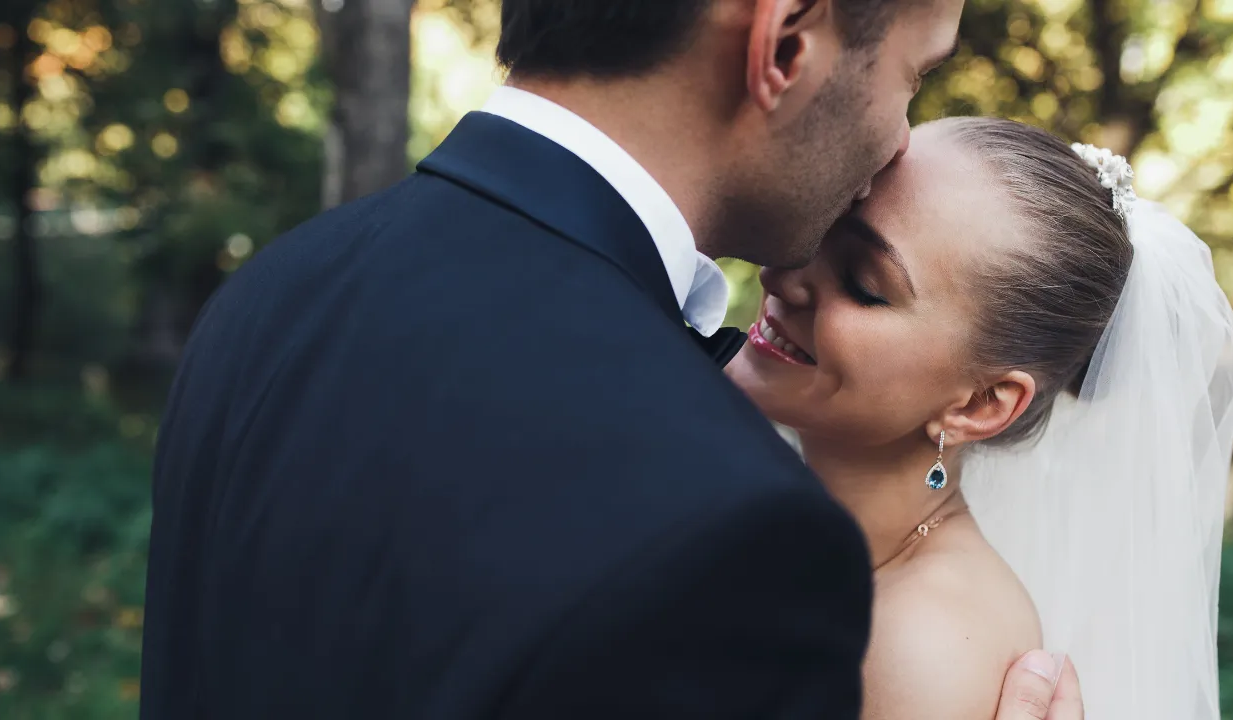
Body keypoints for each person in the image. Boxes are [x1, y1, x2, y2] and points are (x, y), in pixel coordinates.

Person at [139, 1, 1084, 718]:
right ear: (785, 43)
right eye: (912, 79)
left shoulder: (278, 290)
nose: (894, 143)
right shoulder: (731, 529)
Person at [728, 117, 1233, 718]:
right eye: (822, 224)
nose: (783, 273)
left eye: (861, 283)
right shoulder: (802, 525)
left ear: (979, 405)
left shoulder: (925, 647)